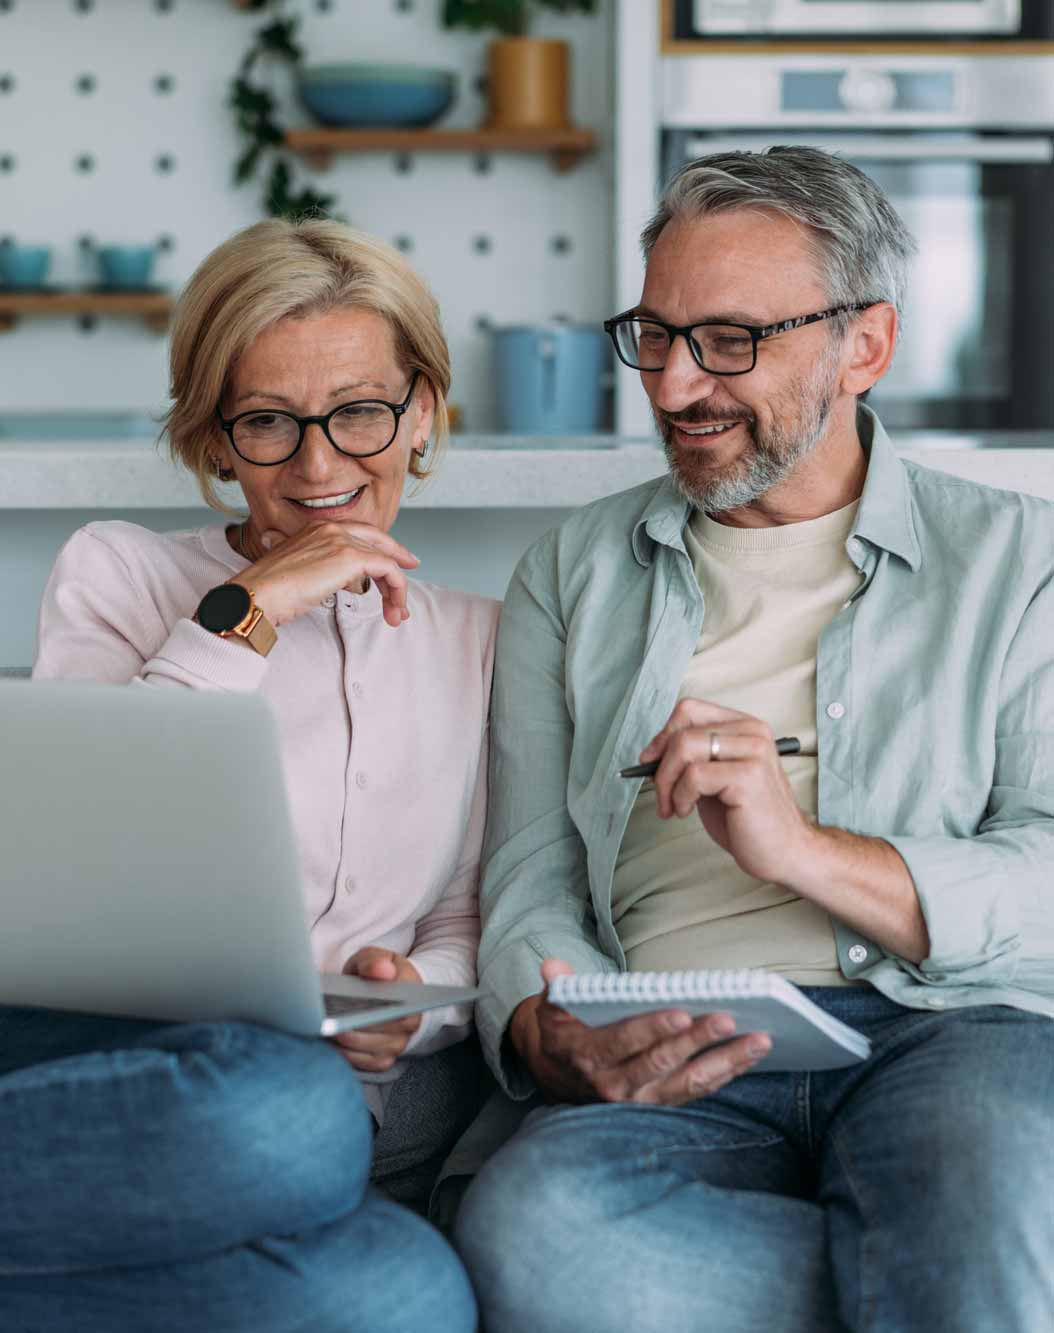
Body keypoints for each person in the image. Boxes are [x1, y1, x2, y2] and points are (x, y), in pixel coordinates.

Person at [453, 146, 1054, 1332]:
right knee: (535, 1233)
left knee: (987, 1189)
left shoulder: (1022, 562)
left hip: (955, 1025)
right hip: (673, 1032)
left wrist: (800, 850)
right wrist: (549, 1024)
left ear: (863, 347)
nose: (676, 388)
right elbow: (530, 869)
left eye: (731, 341)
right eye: (657, 336)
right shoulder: (574, 570)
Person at [5, 218, 495, 1331]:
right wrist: (252, 608)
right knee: (289, 1115)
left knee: (408, 1301)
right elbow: (81, 862)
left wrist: (412, 1005)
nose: (319, 466)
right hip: (108, 1055)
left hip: (330, 1101)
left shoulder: (483, 641)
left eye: (359, 412)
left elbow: (467, 911)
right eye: (269, 423)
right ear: (215, 440)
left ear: (420, 413)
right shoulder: (121, 572)